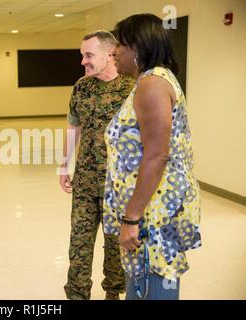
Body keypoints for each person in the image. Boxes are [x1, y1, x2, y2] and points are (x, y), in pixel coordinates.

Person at [104, 13, 202, 300]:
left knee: (153, 288)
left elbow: (157, 155)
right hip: (151, 207)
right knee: (144, 285)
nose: (113, 52)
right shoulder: (149, 81)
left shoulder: (151, 85)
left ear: (138, 47)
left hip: (153, 214)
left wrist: (131, 218)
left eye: (119, 45)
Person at [59, 31, 135, 300]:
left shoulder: (131, 88)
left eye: (88, 55)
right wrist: (64, 165)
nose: (83, 61)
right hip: (85, 182)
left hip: (119, 185)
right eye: (82, 55)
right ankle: (77, 295)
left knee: (115, 245)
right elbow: (73, 126)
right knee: (78, 243)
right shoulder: (82, 86)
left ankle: (113, 293)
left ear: (109, 54)